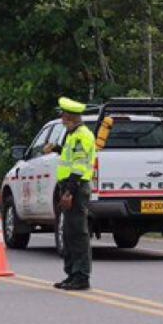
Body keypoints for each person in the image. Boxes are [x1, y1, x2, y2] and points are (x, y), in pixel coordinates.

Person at [44, 97, 97, 291]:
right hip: (69, 186)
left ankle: (81, 276)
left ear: (71, 117)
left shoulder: (82, 136)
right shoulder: (72, 134)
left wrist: (69, 192)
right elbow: (71, 157)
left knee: (77, 233)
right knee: (68, 233)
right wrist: (57, 149)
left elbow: (79, 165)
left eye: (64, 116)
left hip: (76, 187)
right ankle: (72, 274)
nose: (62, 119)